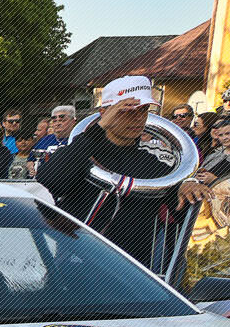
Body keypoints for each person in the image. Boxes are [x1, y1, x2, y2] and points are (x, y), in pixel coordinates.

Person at [37, 76, 210, 272]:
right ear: (104, 112)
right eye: (127, 111)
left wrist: (188, 186)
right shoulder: (81, 153)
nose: (138, 118)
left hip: (129, 277)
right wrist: (99, 128)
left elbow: (182, 214)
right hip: (74, 269)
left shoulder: (153, 165)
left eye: (143, 110)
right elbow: (47, 181)